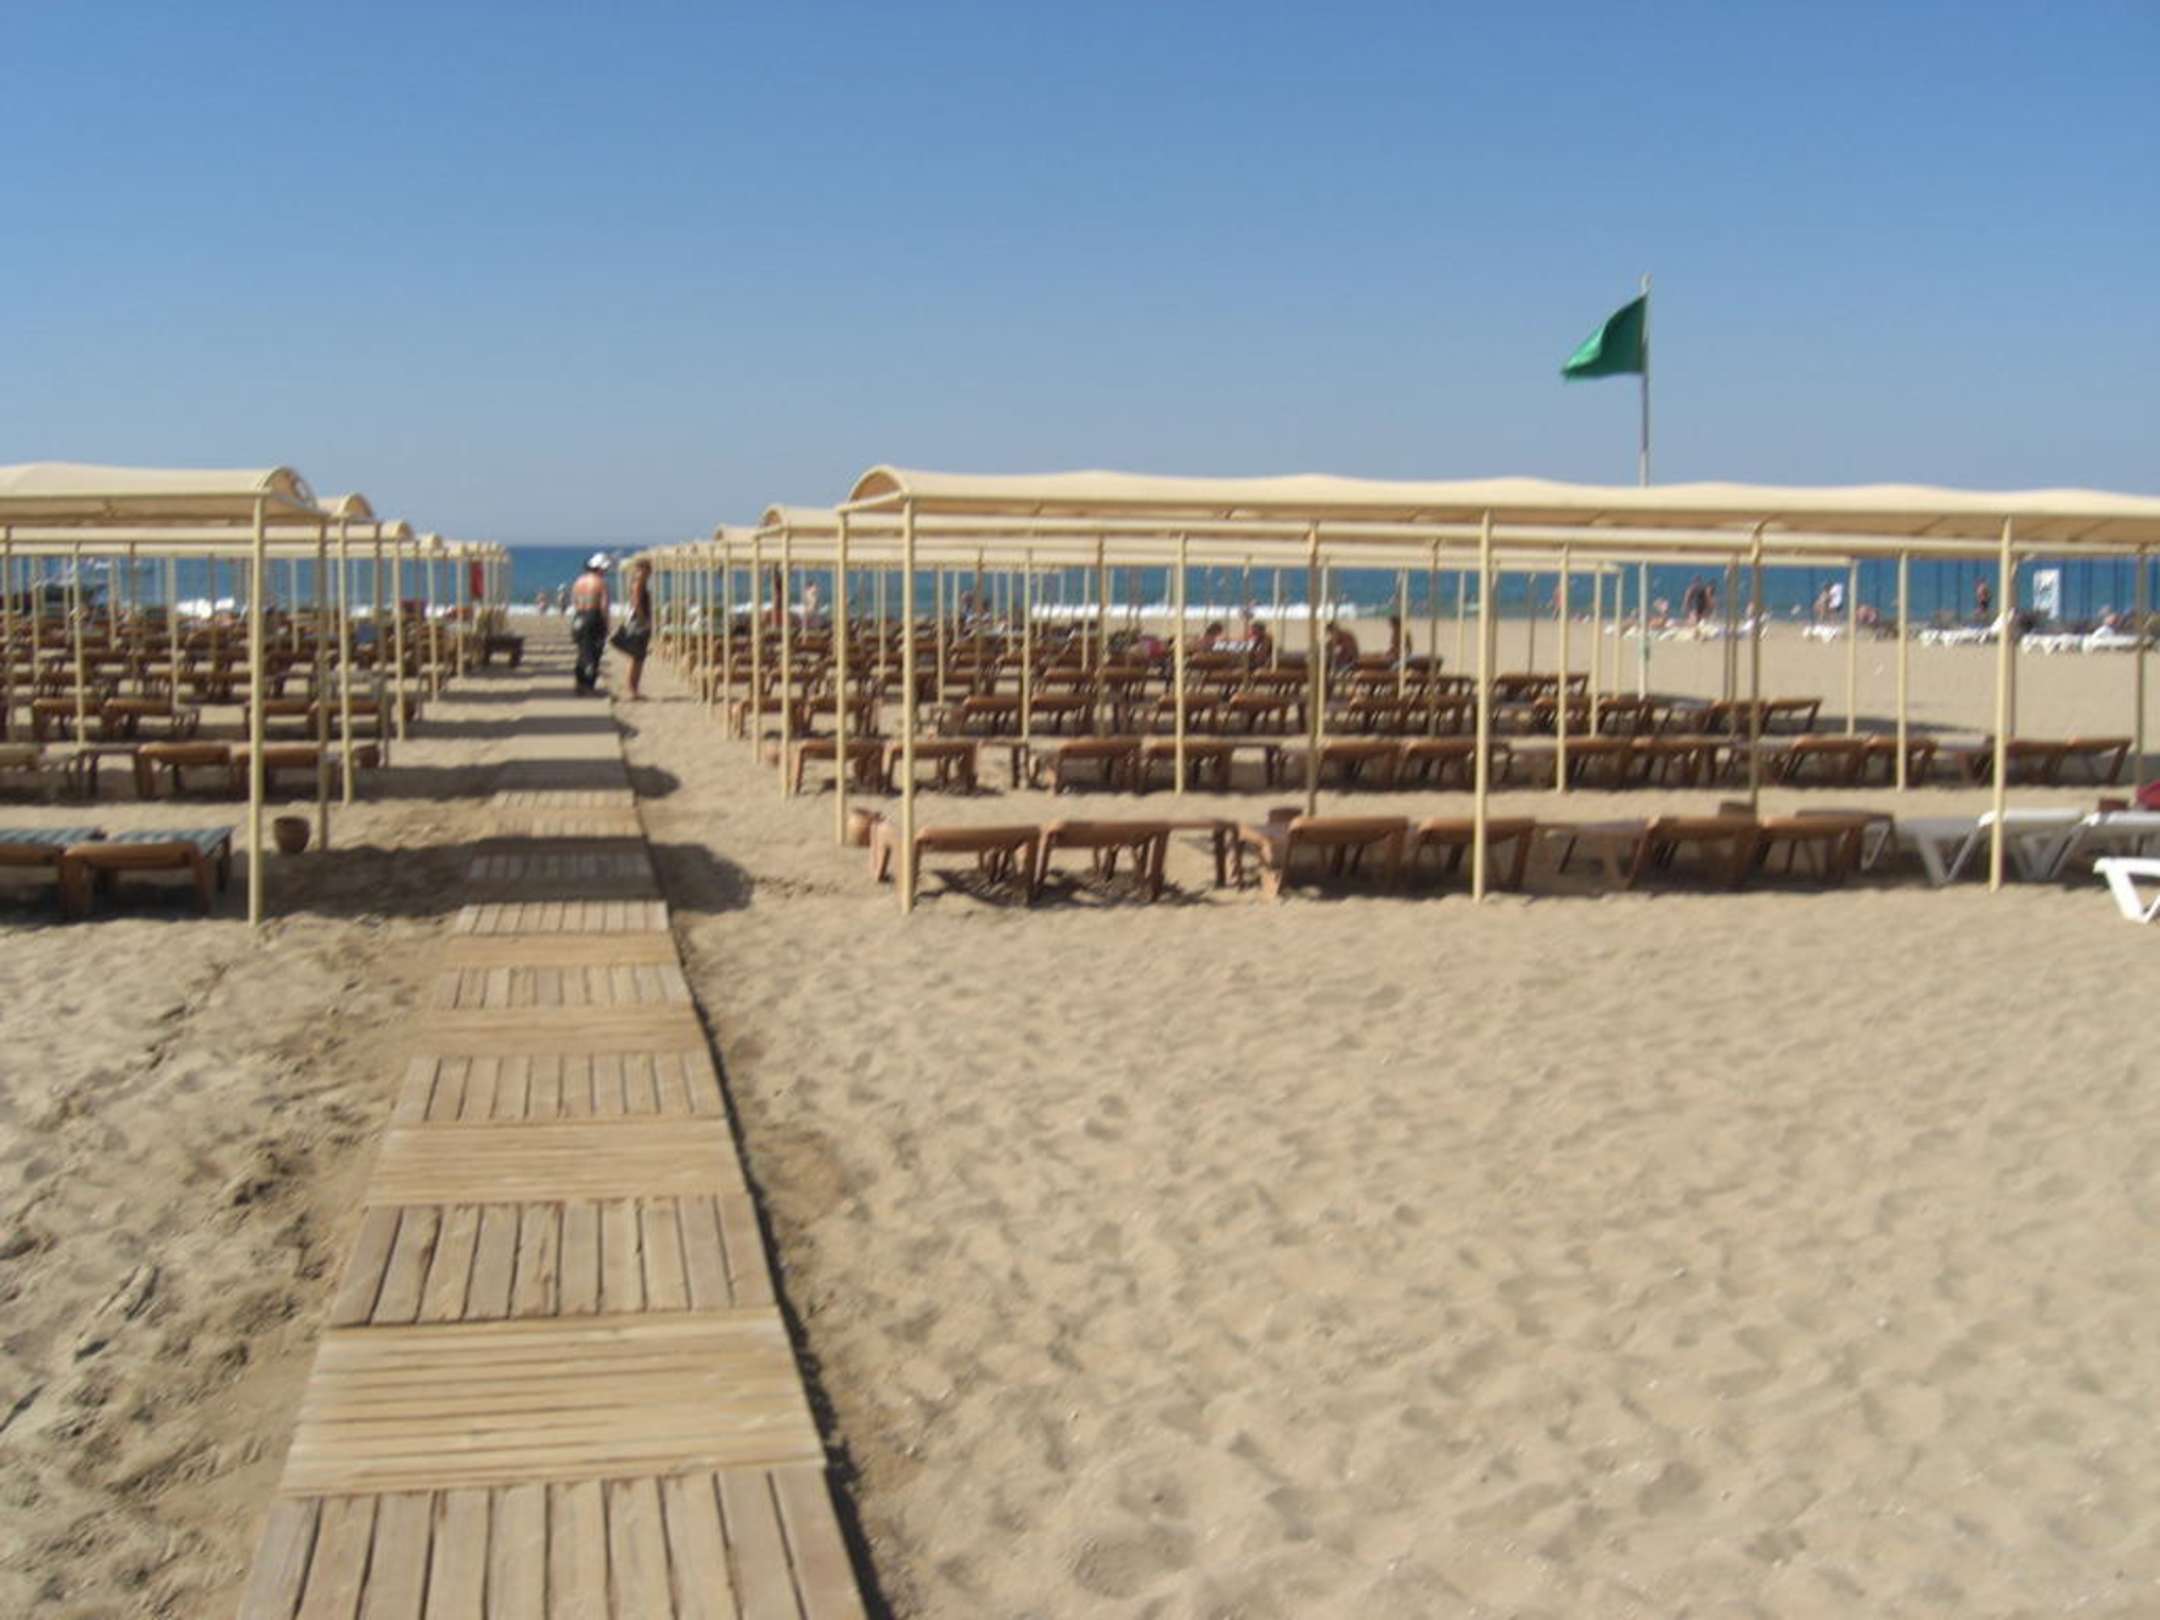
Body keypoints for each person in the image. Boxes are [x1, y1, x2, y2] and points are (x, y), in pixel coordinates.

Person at [570, 553, 610, 694]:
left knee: (582, 651)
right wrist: (606, 624)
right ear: (599, 568)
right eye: (604, 569)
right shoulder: (600, 583)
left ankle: (579, 683)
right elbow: (604, 606)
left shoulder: (578, 581)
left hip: (579, 616)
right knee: (594, 652)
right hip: (593, 616)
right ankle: (589, 685)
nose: (605, 572)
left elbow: (574, 602)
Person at [622, 558, 654, 700]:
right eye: (648, 569)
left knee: (638, 657)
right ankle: (632, 689)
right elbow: (636, 603)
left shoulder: (638, 583)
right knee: (637, 657)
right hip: (639, 622)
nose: (650, 573)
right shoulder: (638, 583)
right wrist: (644, 621)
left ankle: (634, 688)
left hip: (637, 621)